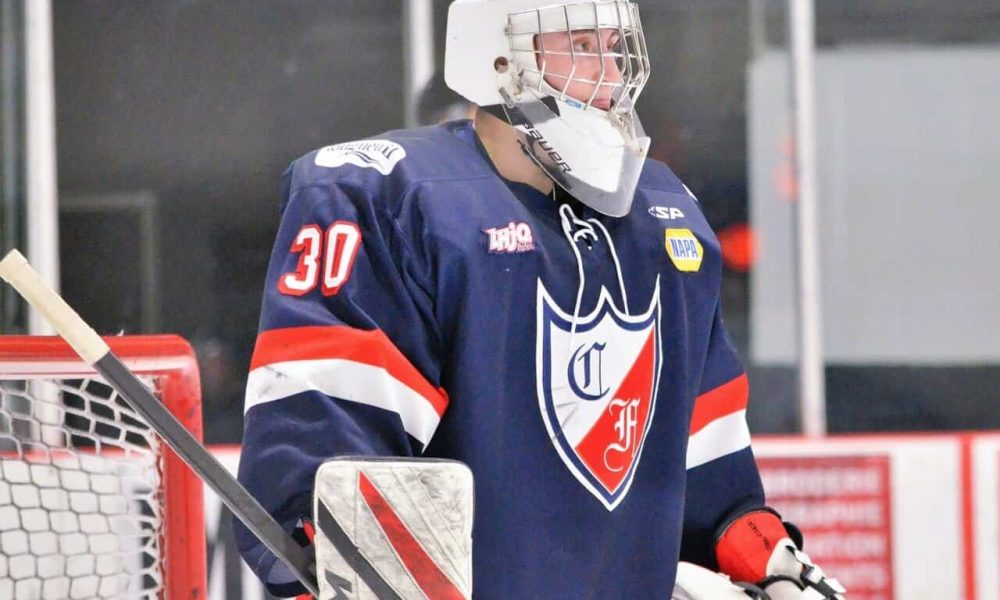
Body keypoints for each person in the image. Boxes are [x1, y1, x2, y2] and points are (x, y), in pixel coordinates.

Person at [235, 1, 846, 598]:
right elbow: (328, 479)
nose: (611, 74)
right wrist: (336, 555)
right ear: (496, 55)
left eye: (614, 48)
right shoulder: (396, 202)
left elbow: (707, 469)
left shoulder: (665, 218)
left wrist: (768, 559)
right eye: (580, 45)